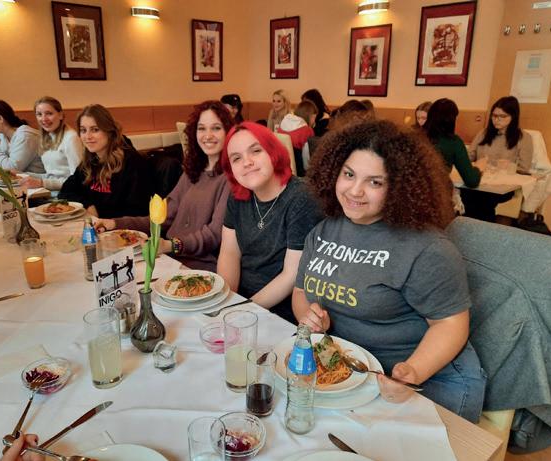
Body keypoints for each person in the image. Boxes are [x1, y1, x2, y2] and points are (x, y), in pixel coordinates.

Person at [293, 120, 486, 422]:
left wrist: (414, 371)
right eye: (349, 174)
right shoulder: (324, 230)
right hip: (356, 371)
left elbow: (450, 324)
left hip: (430, 378)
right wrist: (311, 317)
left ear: (399, 187)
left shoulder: (427, 248)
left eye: (375, 182)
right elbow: (301, 292)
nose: (355, 190)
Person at [94, 100, 233, 272]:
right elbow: (162, 217)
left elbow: (213, 235)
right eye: (202, 128)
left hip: (198, 266)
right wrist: (115, 223)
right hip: (168, 258)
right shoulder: (193, 171)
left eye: (216, 128)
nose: (208, 135)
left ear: (228, 132)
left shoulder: (230, 178)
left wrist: (171, 245)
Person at [218, 121, 322, 323]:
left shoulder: (302, 197)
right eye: (236, 158)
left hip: (282, 312)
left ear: (273, 152)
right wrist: (225, 301)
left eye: (256, 151)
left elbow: (291, 275)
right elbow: (229, 252)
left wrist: (242, 310)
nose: (247, 162)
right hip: (241, 301)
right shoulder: (237, 195)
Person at [59, 104, 155, 218]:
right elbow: (65, 191)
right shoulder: (91, 160)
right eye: (83, 130)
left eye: (95, 130)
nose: (87, 136)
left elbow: (138, 211)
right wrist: (87, 205)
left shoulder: (133, 162)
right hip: (94, 224)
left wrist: (100, 215)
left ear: (109, 131)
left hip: (119, 227)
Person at [20, 96, 83, 192]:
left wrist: (42, 183)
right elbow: (51, 177)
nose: (44, 119)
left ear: (60, 115)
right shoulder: (46, 137)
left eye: (49, 113)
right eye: (39, 114)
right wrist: (21, 174)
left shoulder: (71, 138)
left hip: (67, 195)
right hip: (52, 192)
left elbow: (78, 181)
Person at [469, 96, 533, 174]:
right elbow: (469, 156)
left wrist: (506, 167)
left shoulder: (524, 138)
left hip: (505, 177)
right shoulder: (483, 133)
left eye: (502, 116)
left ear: (513, 117)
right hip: (480, 175)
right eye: (494, 115)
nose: (496, 120)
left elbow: (524, 168)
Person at [0, 99, 43, 173]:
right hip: (17, 179)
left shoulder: (25, 136)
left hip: (38, 179)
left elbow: (11, 169)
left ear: (0, 119)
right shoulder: (1, 136)